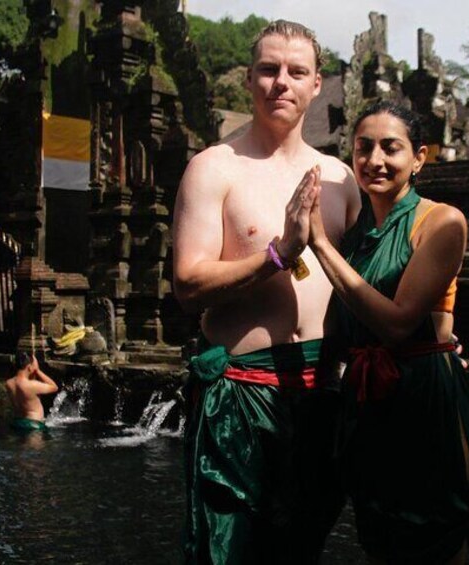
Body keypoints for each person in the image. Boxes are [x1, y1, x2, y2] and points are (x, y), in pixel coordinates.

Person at [172, 19, 360, 564]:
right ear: (250, 80)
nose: (282, 82)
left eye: (296, 71)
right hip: (241, 389)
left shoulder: (340, 177)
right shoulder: (214, 169)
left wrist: (433, 330)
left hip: (322, 390)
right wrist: (279, 254)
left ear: (316, 84)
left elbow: (368, 281)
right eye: (269, 69)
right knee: (226, 548)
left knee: (303, 545)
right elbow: (188, 285)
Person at [296, 100, 469, 564]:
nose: (375, 160)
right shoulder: (357, 234)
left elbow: (399, 323)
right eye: (363, 148)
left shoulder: (442, 222)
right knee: (379, 530)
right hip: (367, 401)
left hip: (424, 398)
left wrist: (319, 244)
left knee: (436, 533)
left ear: (419, 158)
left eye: (391, 148)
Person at [4, 351, 59, 433]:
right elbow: (54, 387)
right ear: (30, 367)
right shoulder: (33, 385)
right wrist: (37, 370)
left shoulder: (8, 383)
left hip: (17, 423)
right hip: (33, 424)